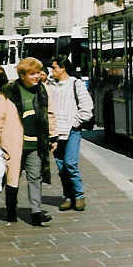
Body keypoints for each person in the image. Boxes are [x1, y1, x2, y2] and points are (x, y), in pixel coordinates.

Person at [0, 57, 58, 226]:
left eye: (39, 73)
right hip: (12, 144)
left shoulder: (44, 89)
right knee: (13, 178)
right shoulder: (8, 91)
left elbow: (50, 114)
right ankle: (11, 210)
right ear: (23, 74)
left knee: (35, 177)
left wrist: (53, 136)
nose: (37, 76)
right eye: (33, 74)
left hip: (36, 143)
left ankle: (36, 213)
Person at [49, 56, 93, 212]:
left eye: (54, 67)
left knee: (70, 163)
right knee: (61, 167)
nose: (51, 70)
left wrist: (75, 122)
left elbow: (87, 107)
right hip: (55, 132)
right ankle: (68, 196)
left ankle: (79, 195)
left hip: (72, 130)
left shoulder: (76, 84)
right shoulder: (51, 85)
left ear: (63, 68)